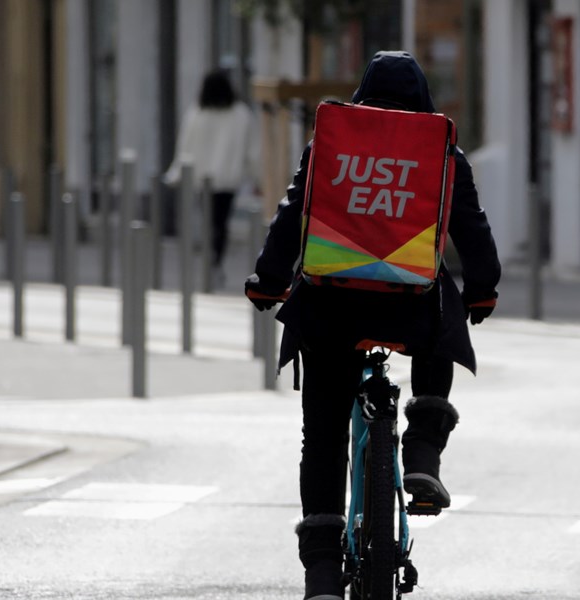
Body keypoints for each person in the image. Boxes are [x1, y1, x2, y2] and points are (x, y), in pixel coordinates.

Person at [244, 51, 500, 600]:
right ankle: (424, 456)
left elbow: (294, 214)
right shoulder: (442, 151)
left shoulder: (330, 146)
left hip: (331, 309)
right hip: (408, 310)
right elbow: (471, 228)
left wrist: (267, 281)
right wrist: (483, 289)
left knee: (325, 435)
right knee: (442, 308)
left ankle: (319, 575)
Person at [164, 70, 260, 282]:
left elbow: (184, 147)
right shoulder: (241, 113)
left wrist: (176, 173)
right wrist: (256, 177)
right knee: (221, 221)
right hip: (227, 179)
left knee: (209, 220)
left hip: (201, 178)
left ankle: (211, 258)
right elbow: (253, 150)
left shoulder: (197, 113)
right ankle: (215, 260)